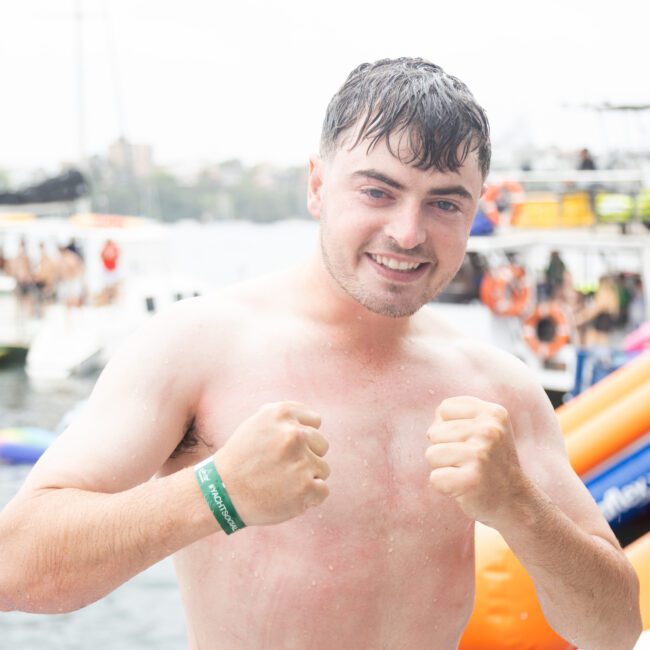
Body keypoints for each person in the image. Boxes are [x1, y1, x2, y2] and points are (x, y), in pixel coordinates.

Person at [0, 58, 641, 649]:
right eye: (378, 192)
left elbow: (614, 628)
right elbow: (15, 568)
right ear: (317, 185)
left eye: (445, 202)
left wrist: (517, 506)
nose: (408, 232)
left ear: (475, 212)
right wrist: (216, 494)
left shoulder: (498, 386)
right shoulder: (198, 347)